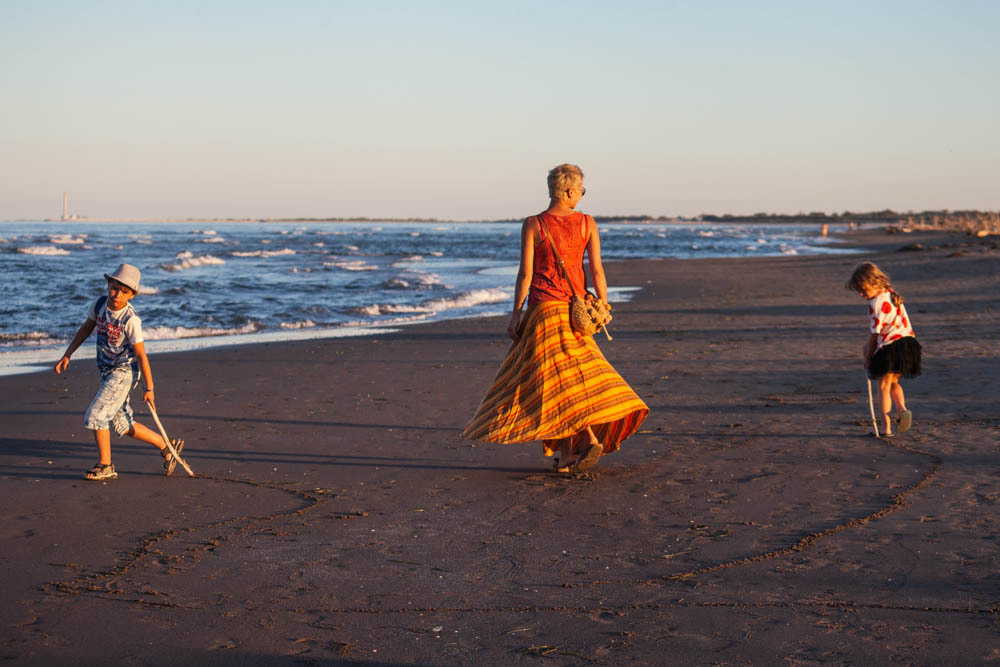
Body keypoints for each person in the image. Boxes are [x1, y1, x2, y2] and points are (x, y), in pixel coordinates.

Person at [463, 164, 648, 471]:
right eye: (581, 190)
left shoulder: (534, 224)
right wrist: (604, 305)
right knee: (574, 378)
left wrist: (515, 314)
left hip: (543, 313)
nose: (581, 196)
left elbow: (525, 274)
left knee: (552, 383)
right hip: (575, 313)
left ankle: (584, 440)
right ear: (569, 190)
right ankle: (568, 453)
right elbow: (597, 270)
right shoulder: (587, 223)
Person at [54, 263, 184, 480]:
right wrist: (68, 354)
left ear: (132, 295)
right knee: (122, 424)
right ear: (108, 286)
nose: (117, 294)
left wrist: (149, 388)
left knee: (96, 415)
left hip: (124, 372)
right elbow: (86, 328)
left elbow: (142, 355)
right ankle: (167, 446)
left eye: (124, 291)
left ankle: (106, 465)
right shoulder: (99, 305)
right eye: (114, 288)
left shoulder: (130, 319)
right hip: (106, 370)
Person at [845, 262, 922, 436]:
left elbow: (874, 334)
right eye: (858, 290)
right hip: (908, 344)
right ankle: (902, 410)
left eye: (864, 289)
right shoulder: (891, 294)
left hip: (891, 348)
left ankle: (885, 428)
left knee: (883, 387)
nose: (861, 293)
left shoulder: (875, 304)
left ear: (875, 283)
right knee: (894, 381)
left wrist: (868, 355)